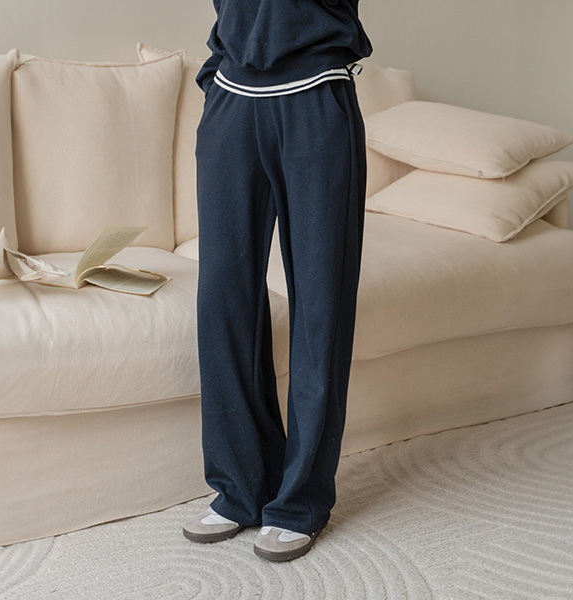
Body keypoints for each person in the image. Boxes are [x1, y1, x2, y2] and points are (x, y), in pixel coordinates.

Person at [183, 0, 373, 562]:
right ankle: (239, 489)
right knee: (223, 303)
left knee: (321, 306)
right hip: (232, 97)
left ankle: (300, 502)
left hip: (316, 94)